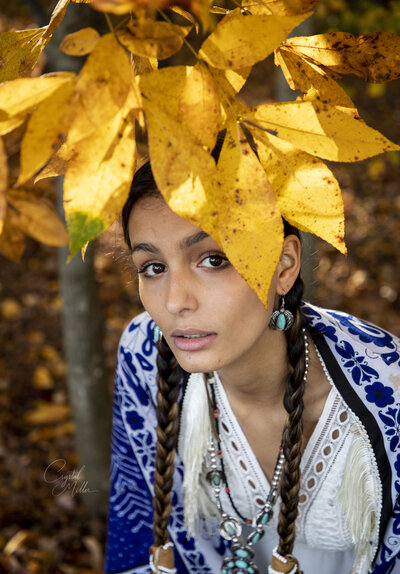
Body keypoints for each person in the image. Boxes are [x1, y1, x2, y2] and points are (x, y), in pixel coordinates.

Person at [105, 149, 400, 574]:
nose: (174, 302)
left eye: (214, 260)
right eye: (153, 267)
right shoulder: (145, 353)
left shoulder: (389, 395)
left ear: (284, 265)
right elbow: (134, 538)